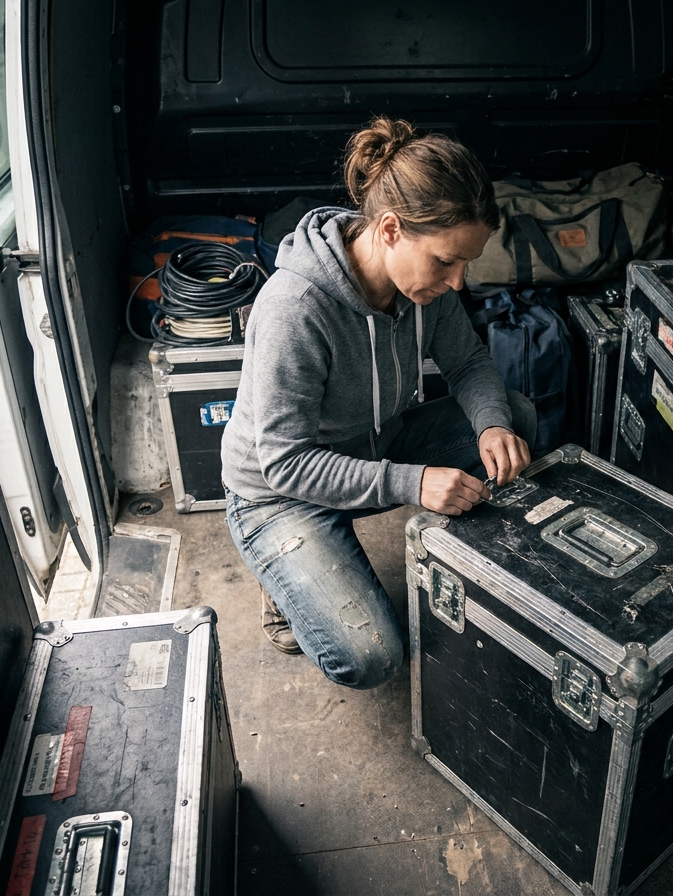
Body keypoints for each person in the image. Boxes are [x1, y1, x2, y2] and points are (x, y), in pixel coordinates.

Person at [221, 117, 536, 689]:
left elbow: (467, 363)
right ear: (390, 229)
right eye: (446, 261)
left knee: (517, 416)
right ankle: (281, 578)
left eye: (466, 262)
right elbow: (285, 463)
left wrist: (491, 426)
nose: (459, 282)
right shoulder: (295, 306)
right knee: (371, 659)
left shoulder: (425, 286)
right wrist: (412, 483)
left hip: (371, 443)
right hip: (278, 492)